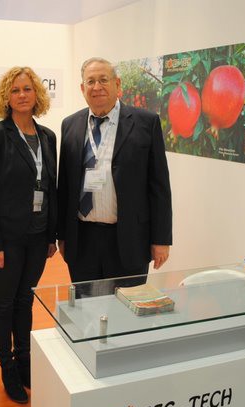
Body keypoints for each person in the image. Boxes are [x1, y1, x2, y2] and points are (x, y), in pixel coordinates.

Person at [0, 66, 57, 404]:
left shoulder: (48, 137)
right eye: (15, 90)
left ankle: (24, 361)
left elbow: (51, 188)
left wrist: (51, 236)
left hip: (37, 237)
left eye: (27, 89)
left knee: (26, 300)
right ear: (6, 97)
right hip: (6, 240)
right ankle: (7, 367)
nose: (22, 95)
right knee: (4, 303)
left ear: (37, 94)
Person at [57, 57, 172, 288]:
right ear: (82, 88)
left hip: (129, 239)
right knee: (86, 305)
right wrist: (62, 235)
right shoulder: (70, 124)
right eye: (90, 81)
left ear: (117, 84)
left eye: (103, 80)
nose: (97, 87)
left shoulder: (145, 123)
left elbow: (159, 186)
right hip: (83, 239)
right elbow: (65, 185)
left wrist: (161, 239)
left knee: (125, 307)